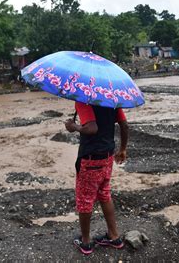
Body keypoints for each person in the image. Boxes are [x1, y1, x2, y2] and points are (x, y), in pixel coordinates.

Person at [65, 102, 129, 255]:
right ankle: (114, 236)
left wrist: (74, 127)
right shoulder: (112, 99)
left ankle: (86, 242)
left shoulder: (83, 100)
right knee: (104, 193)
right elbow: (124, 125)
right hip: (107, 155)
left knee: (85, 199)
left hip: (90, 158)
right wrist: (123, 149)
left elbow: (92, 128)